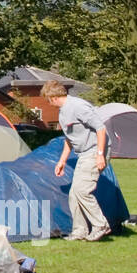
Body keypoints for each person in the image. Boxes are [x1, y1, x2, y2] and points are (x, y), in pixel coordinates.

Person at [42, 80, 110, 241]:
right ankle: (80, 231)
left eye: (47, 99)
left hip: (94, 151)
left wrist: (100, 154)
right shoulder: (62, 112)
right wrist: (62, 161)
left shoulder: (78, 106)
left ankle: (101, 225)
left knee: (82, 191)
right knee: (73, 194)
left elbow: (101, 128)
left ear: (52, 97)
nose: (48, 103)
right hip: (83, 153)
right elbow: (69, 139)